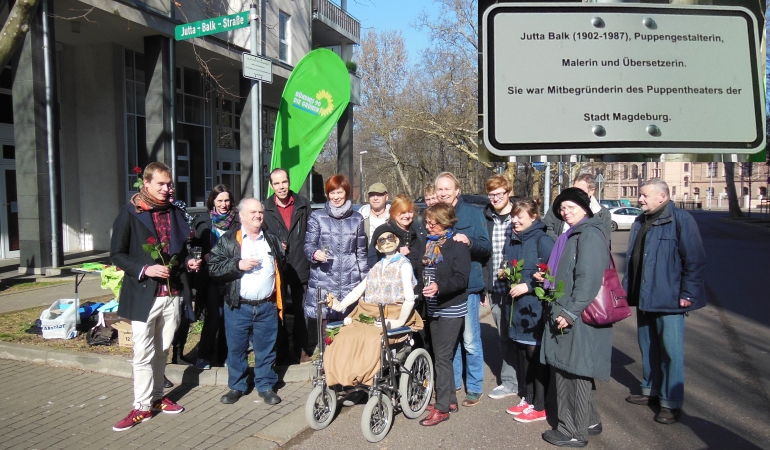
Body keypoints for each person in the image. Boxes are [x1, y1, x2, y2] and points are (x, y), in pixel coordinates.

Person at [110, 162, 200, 432]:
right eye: (161, 184)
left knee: (162, 350)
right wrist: (145, 269)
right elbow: (116, 254)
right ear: (146, 184)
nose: (166, 189)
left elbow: (179, 252)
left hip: (171, 293)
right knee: (142, 353)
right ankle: (141, 406)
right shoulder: (129, 213)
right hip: (143, 296)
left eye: (169, 184)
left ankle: (159, 397)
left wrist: (187, 264)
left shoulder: (174, 212)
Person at [623, 179, 705, 425]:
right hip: (644, 296)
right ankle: (651, 390)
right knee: (647, 345)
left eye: (644, 195)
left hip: (669, 299)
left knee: (670, 351)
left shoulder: (680, 219)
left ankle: (671, 403)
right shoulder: (640, 221)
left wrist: (687, 294)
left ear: (662, 196)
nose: (640, 199)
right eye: (640, 195)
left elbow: (695, 259)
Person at [539, 187, 611, 447]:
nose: (564, 212)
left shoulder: (588, 235)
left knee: (572, 371)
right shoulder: (574, 234)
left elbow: (589, 279)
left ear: (585, 208)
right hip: (570, 310)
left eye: (570, 207)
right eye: (561, 209)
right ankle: (590, 421)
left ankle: (573, 431)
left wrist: (569, 312)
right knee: (577, 369)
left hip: (575, 314)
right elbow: (569, 273)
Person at [208, 198, 285, 406]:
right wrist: (237, 264)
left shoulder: (270, 239)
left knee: (266, 349)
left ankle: (266, 385)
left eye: (260, 212)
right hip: (238, 305)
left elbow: (281, 265)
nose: (258, 215)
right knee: (236, 349)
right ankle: (237, 386)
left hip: (266, 305)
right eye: (253, 212)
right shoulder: (229, 240)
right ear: (241, 216)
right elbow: (213, 268)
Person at [324, 228, 422, 386]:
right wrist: (340, 305)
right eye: (382, 240)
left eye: (390, 237)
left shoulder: (404, 265)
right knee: (341, 334)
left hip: (394, 313)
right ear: (378, 247)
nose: (387, 242)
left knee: (371, 339)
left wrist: (399, 322)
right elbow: (358, 291)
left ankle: (365, 377)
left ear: (397, 240)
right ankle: (343, 376)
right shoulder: (376, 267)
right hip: (370, 314)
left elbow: (409, 299)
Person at [436, 172, 492, 407]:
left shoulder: (472, 213)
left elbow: (485, 247)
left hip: (467, 287)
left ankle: (475, 387)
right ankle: (455, 383)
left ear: (457, 190)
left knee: (469, 339)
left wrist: (469, 242)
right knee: (452, 340)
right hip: (445, 287)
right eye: (439, 189)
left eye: (447, 189)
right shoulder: (436, 215)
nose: (443, 193)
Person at [303, 174, 369, 357]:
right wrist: (314, 253)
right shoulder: (317, 216)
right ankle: (328, 374)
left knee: (350, 332)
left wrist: (365, 282)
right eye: (332, 192)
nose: (336, 196)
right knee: (328, 335)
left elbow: (361, 253)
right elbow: (308, 245)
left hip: (350, 284)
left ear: (346, 193)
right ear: (327, 194)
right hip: (325, 284)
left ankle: (348, 373)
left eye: (339, 192)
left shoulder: (357, 218)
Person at [502, 198, 554, 423]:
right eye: (513, 216)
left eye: (519, 216)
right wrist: (505, 273)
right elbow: (509, 264)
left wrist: (530, 285)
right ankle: (529, 397)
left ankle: (541, 405)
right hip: (517, 308)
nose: (514, 220)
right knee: (522, 353)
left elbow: (554, 277)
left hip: (535, 308)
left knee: (535, 355)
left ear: (533, 217)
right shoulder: (513, 239)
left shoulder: (543, 240)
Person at [418, 202, 471, 426]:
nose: (429, 226)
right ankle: (449, 400)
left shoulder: (457, 246)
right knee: (443, 356)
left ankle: (441, 408)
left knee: (441, 356)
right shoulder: (429, 245)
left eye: (433, 223)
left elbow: (461, 279)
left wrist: (439, 286)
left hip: (451, 307)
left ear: (445, 222)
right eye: (427, 222)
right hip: (433, 307)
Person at [263, 168, 313, 364]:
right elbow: (262, 234)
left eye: (284, 182)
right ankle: (282, 352)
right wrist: (274, 242)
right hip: (278, 267)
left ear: (289, 182)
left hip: (301, 264)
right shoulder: (265, 207)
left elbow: (311, 232)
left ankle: (302, 349)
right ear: (271, 185)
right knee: (279, 309)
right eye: (276, 183)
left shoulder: (303, 204)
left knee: (301, 312)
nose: (281, 187)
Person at [367, 194, 428, 350]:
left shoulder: (418, 230)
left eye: (409, 212)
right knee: (394, 334)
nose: (407, 216)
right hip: (392, 295)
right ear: (393, 213)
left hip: (416, 289)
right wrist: (393, 254)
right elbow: (372, 260)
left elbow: (421, 257)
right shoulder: (384, 231)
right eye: (402, 212)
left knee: (417, 331)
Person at [189, 184, 240, 370]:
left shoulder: (237, 222)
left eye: (226, 200)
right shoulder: (203, 221)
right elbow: (194, 246)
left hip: (231, 275)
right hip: (210, 277)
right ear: (213, 201)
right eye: (220, 200)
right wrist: (203, 255)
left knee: (229, 316)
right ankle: (204, 355)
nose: (224, 204)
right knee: (214, 316)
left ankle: (224, 356)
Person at [481, 175, 519, 401]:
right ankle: (510, 382)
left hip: (519, 288)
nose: (495, 198)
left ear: (509, 193)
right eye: (492, 194)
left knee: (523, 338)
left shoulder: (519, 215)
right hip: (495, 289)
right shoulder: (486, 218)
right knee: (504, 337)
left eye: (500, 194)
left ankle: (530, 383)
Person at [544, 173, 612, 244]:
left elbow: (606, 241)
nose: (576, 193)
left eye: (580, 190)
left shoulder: (603, 213)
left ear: (591, 191)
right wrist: (561, 244)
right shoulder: (558, 207)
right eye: (574, 189)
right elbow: (546, 228)